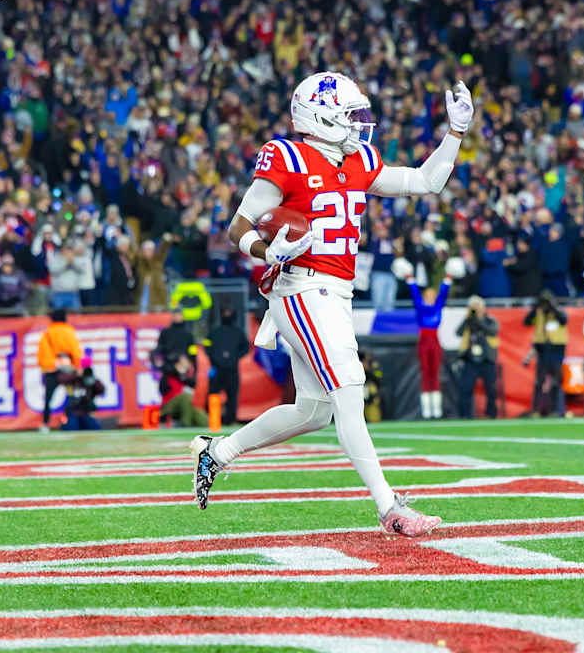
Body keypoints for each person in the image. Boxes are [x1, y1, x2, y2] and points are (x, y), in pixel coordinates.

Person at [193, 72, 473, 537]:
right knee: (348, 385)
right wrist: (268, 251)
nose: (359, 125)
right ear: (318, 117)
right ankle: (390, 508)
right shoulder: (287, 156)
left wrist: (456, 133)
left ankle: (217, 453)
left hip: (335, 293)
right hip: (301, 287)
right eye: (349, 115)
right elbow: (238, 227)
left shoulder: (358, 158)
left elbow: (426, 181)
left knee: (314, 411)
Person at [407, 274, 451, 419]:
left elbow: (443, 294)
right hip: (424, 341)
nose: (430, 297)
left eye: (433, 295)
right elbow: (414, 294)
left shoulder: (438, 305)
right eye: (428, 295)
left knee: (435, 372)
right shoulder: (420, 307)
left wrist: (447, 279)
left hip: (435, 341)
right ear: (424, 296)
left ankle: (436, 408)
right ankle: (426, 409)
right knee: (425, 372)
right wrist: (410, 280)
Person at [36, 309, 82, 432]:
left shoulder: (47, 333)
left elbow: (42, 354)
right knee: (73, 396)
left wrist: (51, 364)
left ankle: (45, 424)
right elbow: (76, 351)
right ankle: (71, 421)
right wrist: (77, 368)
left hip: (51, 371)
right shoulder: (69, 332)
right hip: (68, 371)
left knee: (48, 399)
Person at [524, 290, 568, 417]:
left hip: (556, 350)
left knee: (556, 381)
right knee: (539, 381)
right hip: (542, 349)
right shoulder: (538, 312)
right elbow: (526, 322)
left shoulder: (558, 311)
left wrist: (552, 307)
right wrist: (536, 307)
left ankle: (555, 410)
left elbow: (564, 320)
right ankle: (536, 410)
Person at [457, 295, 500, 420]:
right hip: (470, 359)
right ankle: (466, 415)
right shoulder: (468, 321)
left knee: (491, 389)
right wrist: (468, 318)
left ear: (483, 307)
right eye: (473, 307)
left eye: (478, 306)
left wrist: (478, 321)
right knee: (466, 388)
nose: (476, 309)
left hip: (487, 358)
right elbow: (458, 332)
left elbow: (493, 331)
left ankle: (491, 414)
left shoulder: (490, 320)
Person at [204, 308, 250, 426]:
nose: (227, 315)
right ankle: (211, 419)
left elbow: (246, 348)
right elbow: (207, 346)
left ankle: (230, 421)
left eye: (229, 312)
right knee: (213, 394)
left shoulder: (238, 332)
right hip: (217, 368)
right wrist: (215, 358)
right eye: (225, 312)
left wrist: (234, 357)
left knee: (232, 396)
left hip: (232, 369)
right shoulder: (214, 332)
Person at [59, 355, 105, 430]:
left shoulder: (90, 380)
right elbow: (61, 380)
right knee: (70, 427)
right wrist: (76, 374)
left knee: (94, 428)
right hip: (72, 412)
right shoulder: (72, 378)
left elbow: (101, 390)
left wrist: (92, 379)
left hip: (86, 412)